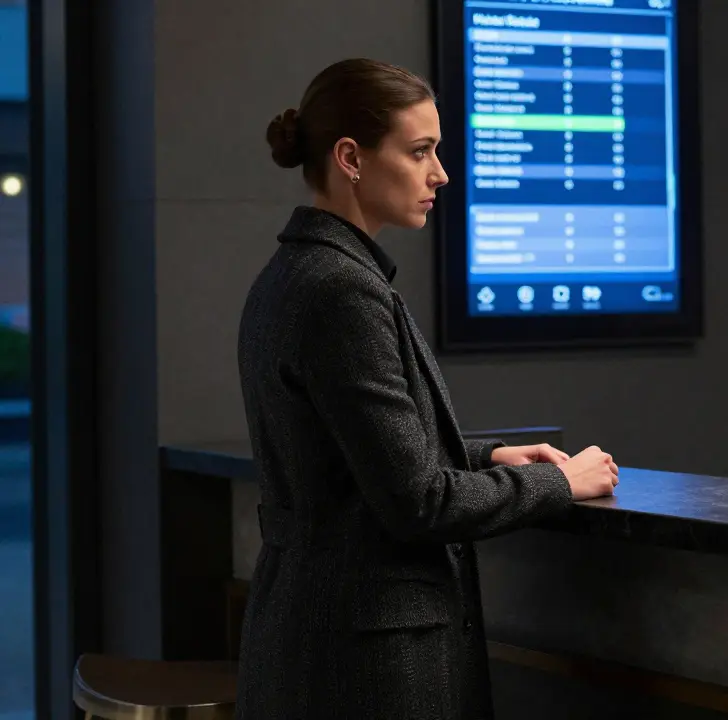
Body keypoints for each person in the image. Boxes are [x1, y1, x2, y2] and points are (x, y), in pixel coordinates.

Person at [235, 58, 620, 719]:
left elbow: (352, 461)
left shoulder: (292, 273)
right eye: (420, 152)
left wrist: (487, 455)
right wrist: (562, 483)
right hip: (365, 663)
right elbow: (416, 503)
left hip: (307, 635)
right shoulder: (343, 293)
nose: (440, 173)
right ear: (351, 157)